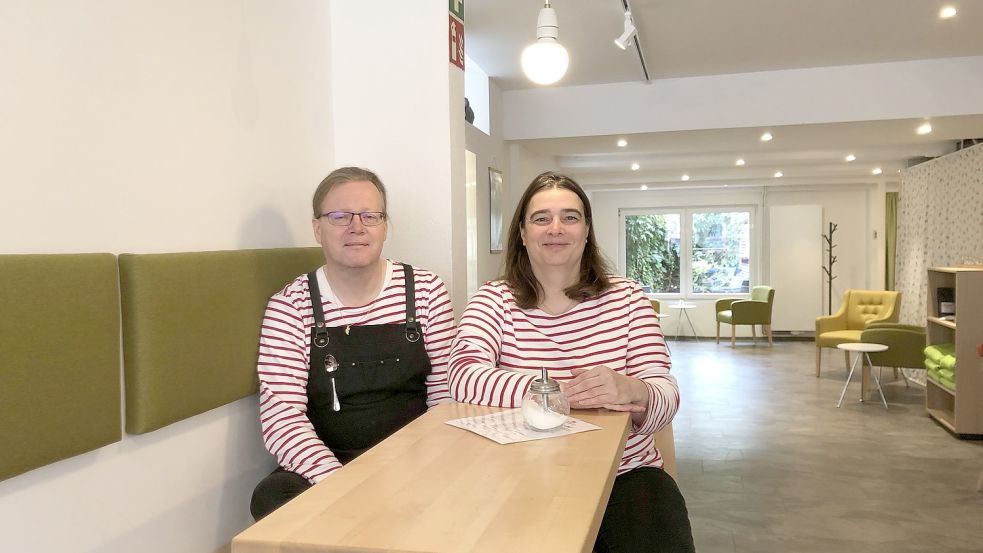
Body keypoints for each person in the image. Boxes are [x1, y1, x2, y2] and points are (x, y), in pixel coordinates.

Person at [448, 171, 694, 552]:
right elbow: (462, 376)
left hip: (625, 478)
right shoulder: (494, 299)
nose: (555, 228)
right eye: (541, 218)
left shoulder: (628, 298)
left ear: (586, 230)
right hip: (517, 475)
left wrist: (636, 390)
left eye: (570, 217)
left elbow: (666, 395)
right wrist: (556, 393)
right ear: (522, 233)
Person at [249, 167, 455, 520]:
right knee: (271, 497)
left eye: (370, 216)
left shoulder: (425, 289)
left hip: (415, 457)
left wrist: (429, 466)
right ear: (318, 229)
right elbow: (282, 417)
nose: (356, 227)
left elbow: (445, 392)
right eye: (339, 216)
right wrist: (342, 485)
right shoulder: (290, 305)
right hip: (330, 462)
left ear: (385, 226)